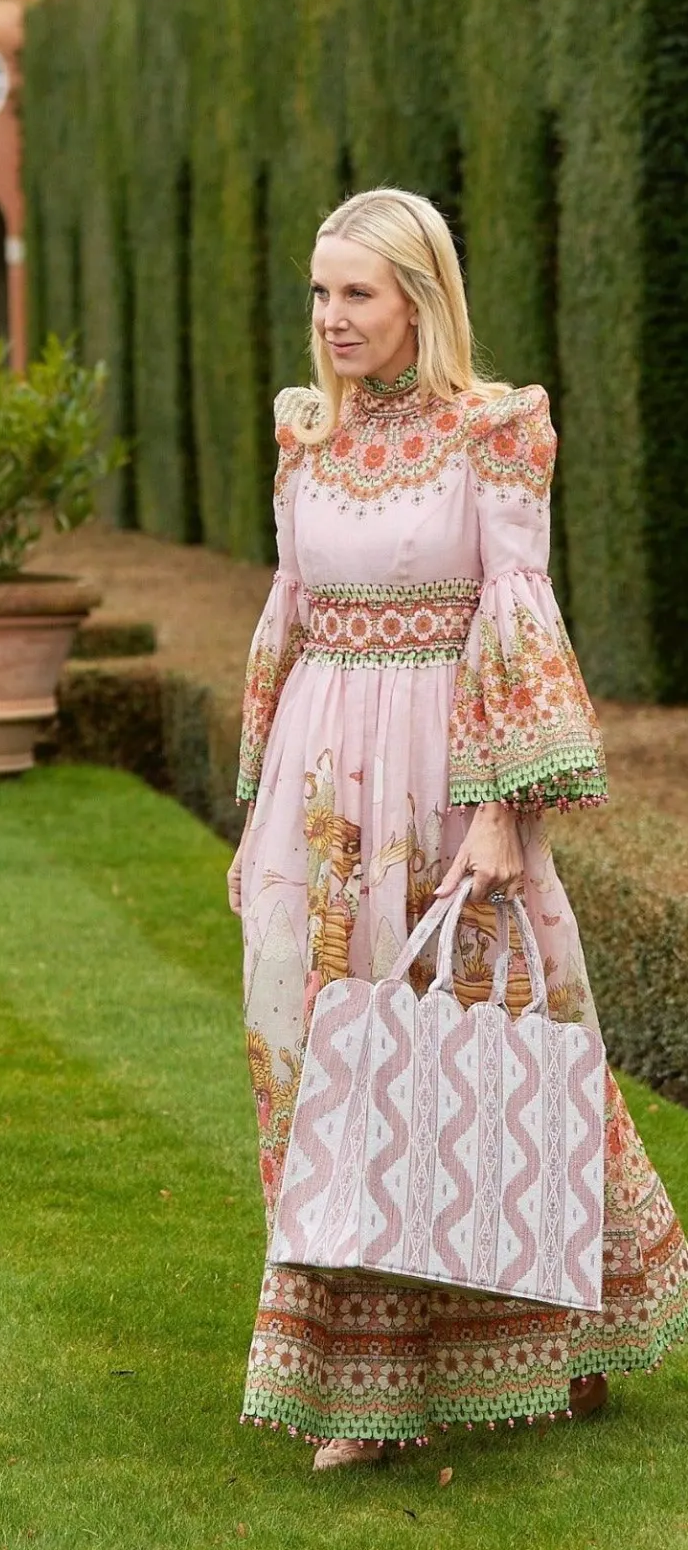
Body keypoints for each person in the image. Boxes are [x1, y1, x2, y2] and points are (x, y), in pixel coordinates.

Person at [227, 187, 688, 1470]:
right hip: (319, 791)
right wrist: (259, 814)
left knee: (494, 1049)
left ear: (418, 299)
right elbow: (286, 622)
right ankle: (361, 1383)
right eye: (318, 292)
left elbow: (515, 618)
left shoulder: (492, 429)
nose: (329, 318)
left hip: (448, 778)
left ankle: (555, 1335)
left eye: (355, 293)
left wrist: (499, 815)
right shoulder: (303, 431)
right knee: (320, 1058)